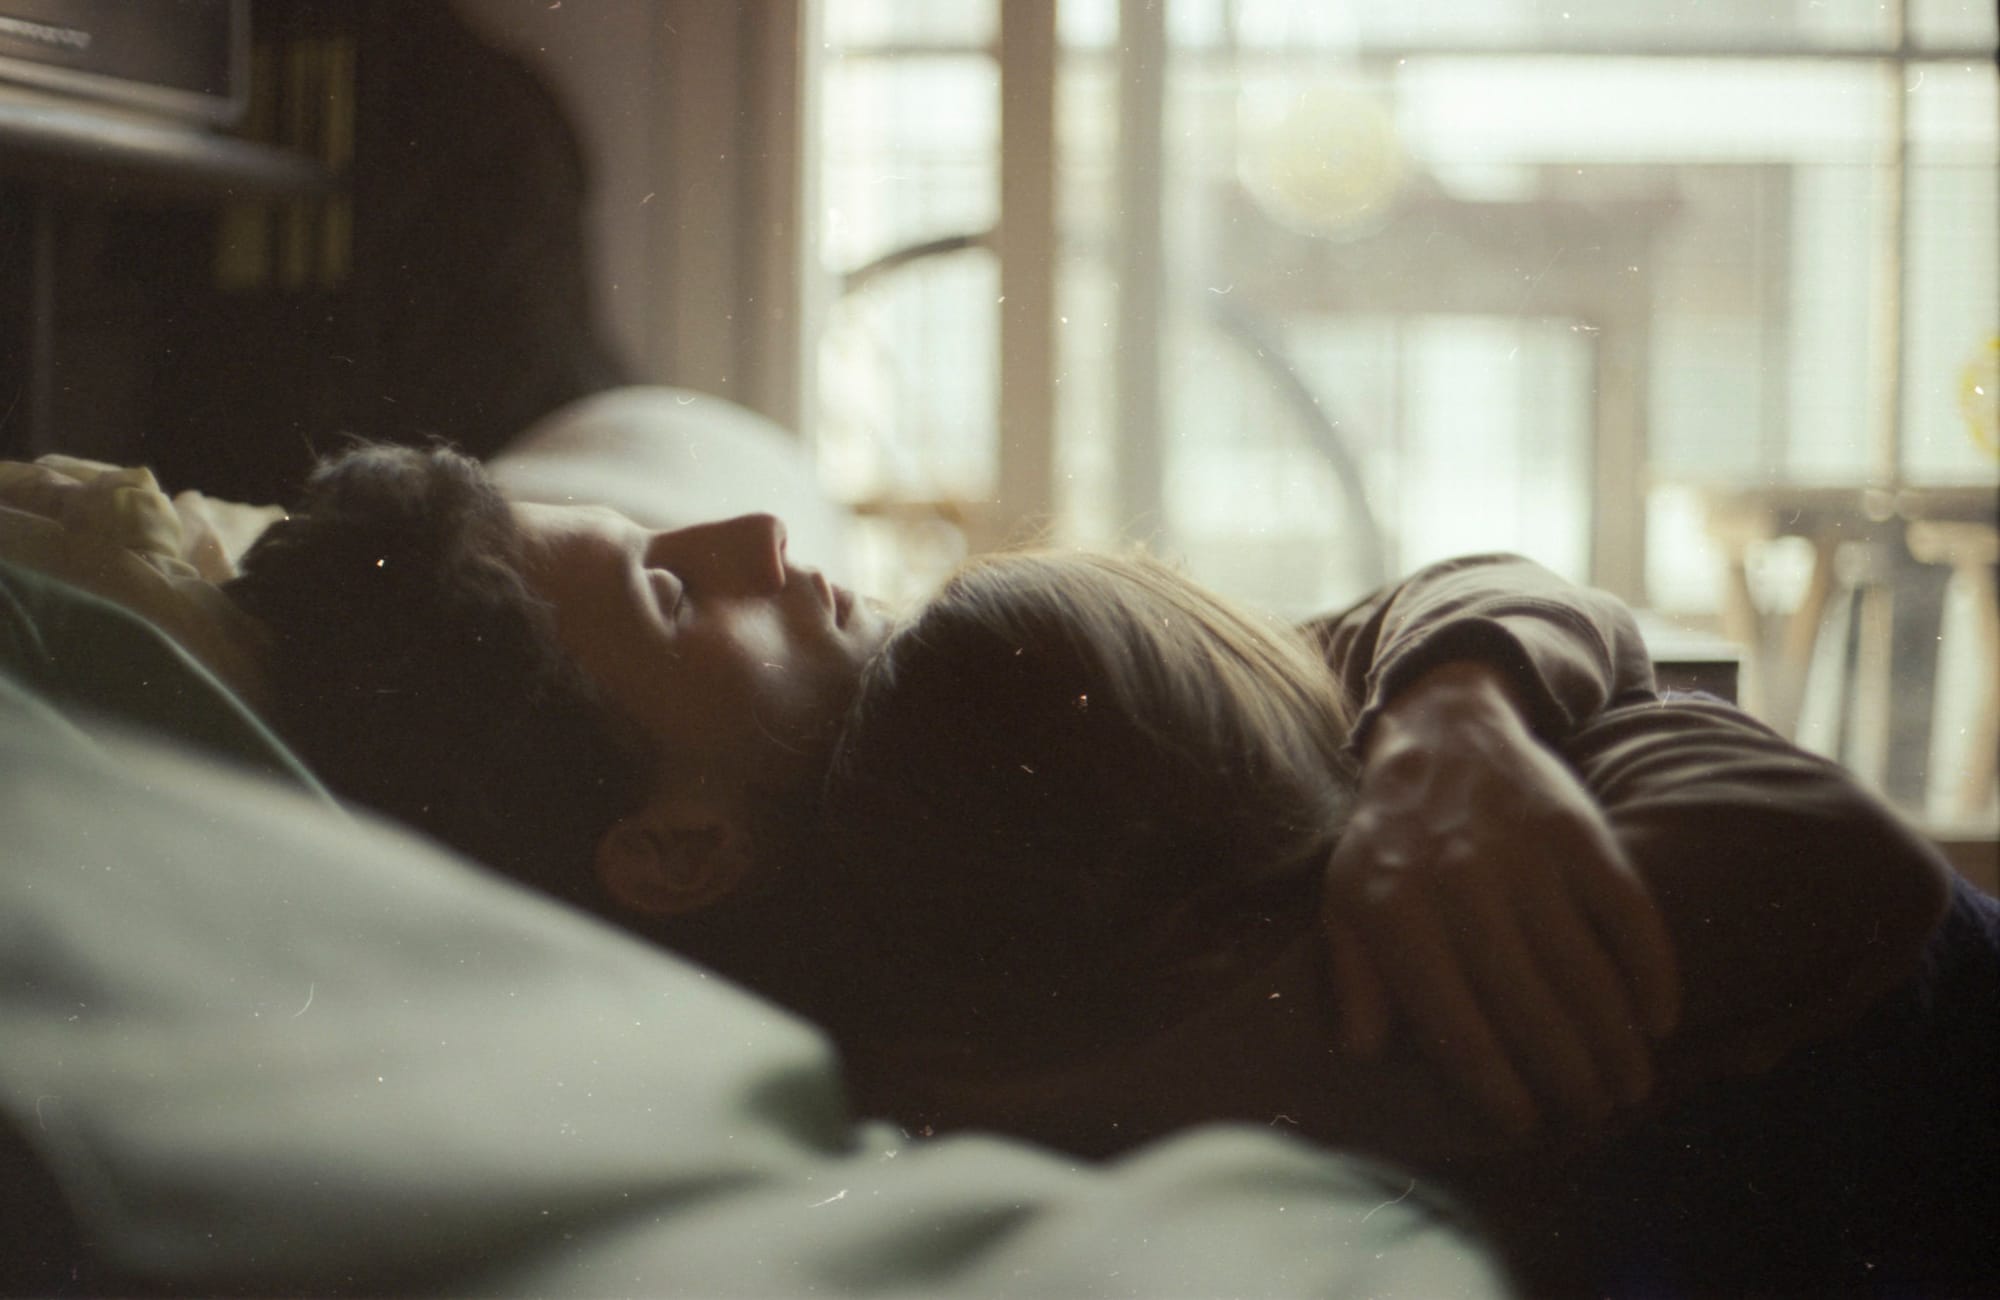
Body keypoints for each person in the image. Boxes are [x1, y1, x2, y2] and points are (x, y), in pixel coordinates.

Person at [230, 442, 1688, 1136]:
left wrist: (1460, 703)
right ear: (676, 849)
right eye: (672, 593)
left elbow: (1437, 608)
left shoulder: (1011, 797)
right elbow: (1809, 852)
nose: (754, 534)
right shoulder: (1057, 821)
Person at [801, 547, 1994, 1296]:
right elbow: (1858, 853)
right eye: (670, 591)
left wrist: (1451, 701)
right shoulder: (1535, 851)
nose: (776, 551)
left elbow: (1401, 615)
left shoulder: (1039, 991)